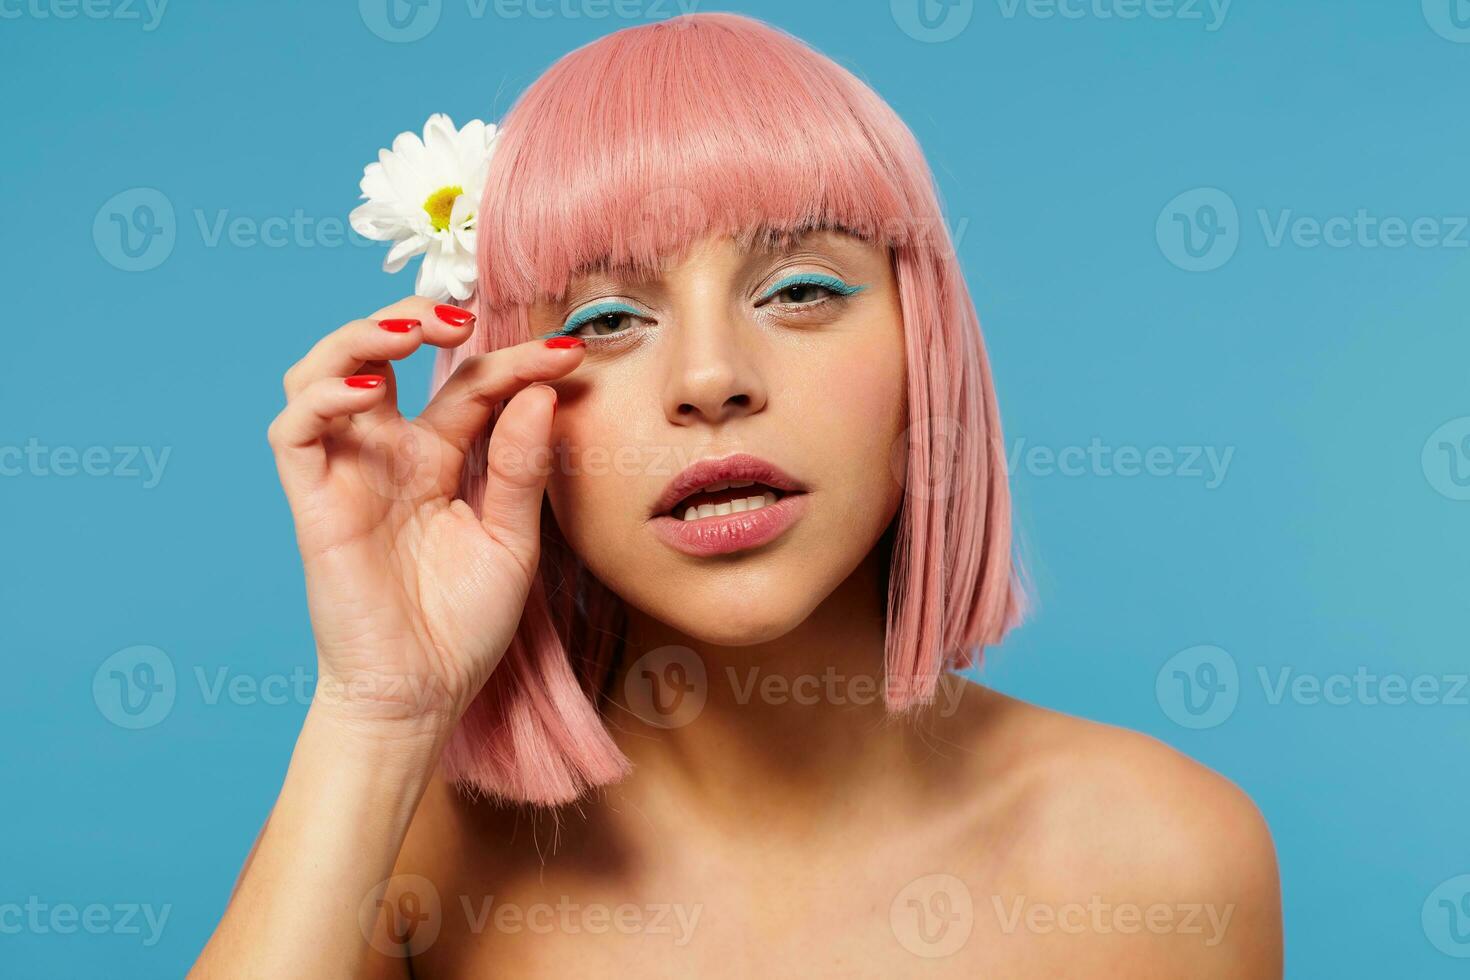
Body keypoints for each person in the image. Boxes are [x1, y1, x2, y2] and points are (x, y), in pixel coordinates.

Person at [191, 12, 1282, 977]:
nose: (712, 378)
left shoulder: (1166, 853)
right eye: (605, 319)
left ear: (928, 349)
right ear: (506, 397)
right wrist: (376, 713)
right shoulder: (405, 863)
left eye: (801, 289)